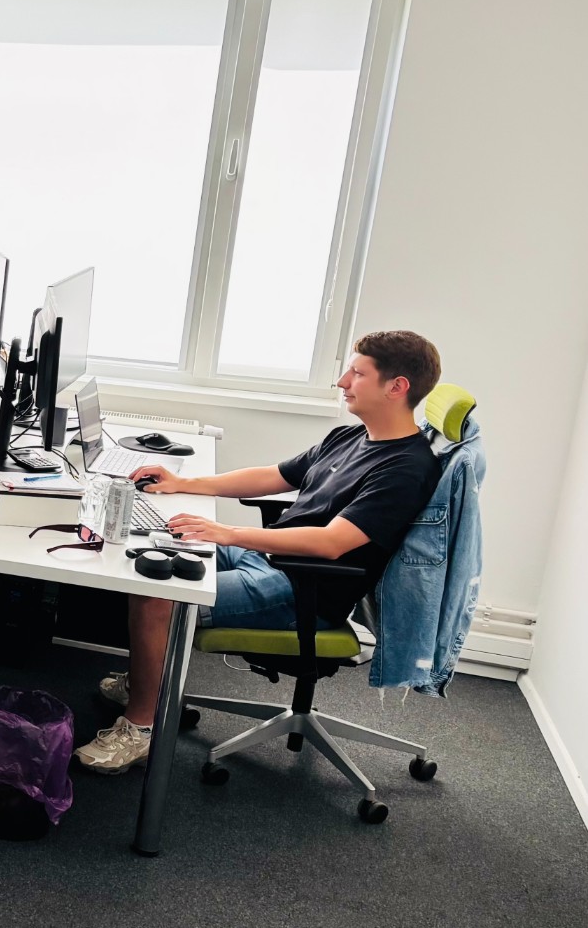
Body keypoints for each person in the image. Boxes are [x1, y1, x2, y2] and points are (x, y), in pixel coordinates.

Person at [77, 331, 445, 775]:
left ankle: (140, 725)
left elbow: (332, 542)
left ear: (397, 386)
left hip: (302, 588)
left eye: (357, 373)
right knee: (152, 548)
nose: (342, 381)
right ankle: (147, 684)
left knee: (159, 596)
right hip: (271, 561)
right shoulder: (350, 437)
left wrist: (228, 533)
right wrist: (184, 484)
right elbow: (274, 476)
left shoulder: (405, 469)